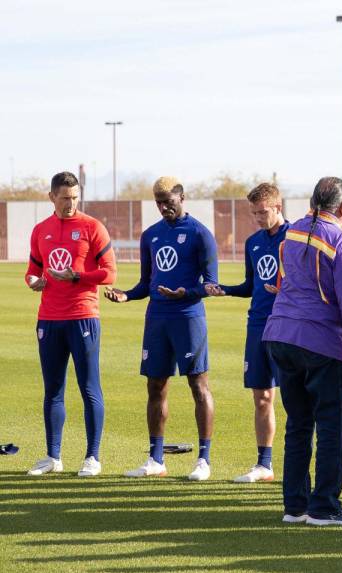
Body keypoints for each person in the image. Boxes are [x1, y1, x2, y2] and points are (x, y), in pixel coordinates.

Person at [262, 177, 342, 525]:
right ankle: (324, 506)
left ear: (313, 202)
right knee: (330, 425)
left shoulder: (292, 232)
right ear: (341, 208)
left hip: (280, 335)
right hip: (320, 341)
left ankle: (295, 506)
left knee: (298, 424)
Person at [105, 177, 218, 481]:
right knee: (155, 386)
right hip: (156, 318)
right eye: (159, 202)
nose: (164, 207)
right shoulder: (150, 235)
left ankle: (203, 460)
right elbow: (146, 283)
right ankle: (156, 460)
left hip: (188, 317)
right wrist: (127, 295)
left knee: (198, 385)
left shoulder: (200, 234)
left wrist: (186, 292)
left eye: (169, 201)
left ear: (182, 197)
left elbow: (211, 284)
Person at [25, 171, 116, 477]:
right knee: (52, 389)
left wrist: (77, 276)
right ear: (52, 197)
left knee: (89, 387)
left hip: (82, 316)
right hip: (49, 318)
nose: (71, 203)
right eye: (65, 198)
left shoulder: (92, 227)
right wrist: (33, 281)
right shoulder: (41, 230)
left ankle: (92, 457)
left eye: (75, 197)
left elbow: (109, 273)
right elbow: (32, 269)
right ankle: (53, 457)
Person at [205, 182, 289, 483]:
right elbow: (250, 286)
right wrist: (225, 290)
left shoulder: (294, 238)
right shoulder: (253, 242)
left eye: (263, 212)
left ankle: (299, 464)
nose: (258, 217)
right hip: (257, 326)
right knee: (261, 396)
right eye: (254, 213)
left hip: (288, 326)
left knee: (294, 399)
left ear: (278, 207)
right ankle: (264, 465)